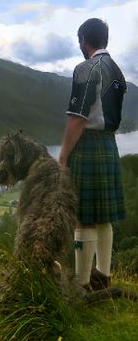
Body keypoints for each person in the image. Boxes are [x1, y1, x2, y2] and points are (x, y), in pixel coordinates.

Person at [59, 18, 127, 291]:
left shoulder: (86, 68)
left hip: (87, 146)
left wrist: (63, 156)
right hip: (109, 145)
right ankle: (103, 275)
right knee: (103, 216)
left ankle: (82, 283)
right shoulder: (118, 71)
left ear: (84, 40)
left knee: (84, 215)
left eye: (80, 40)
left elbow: (77, 118)